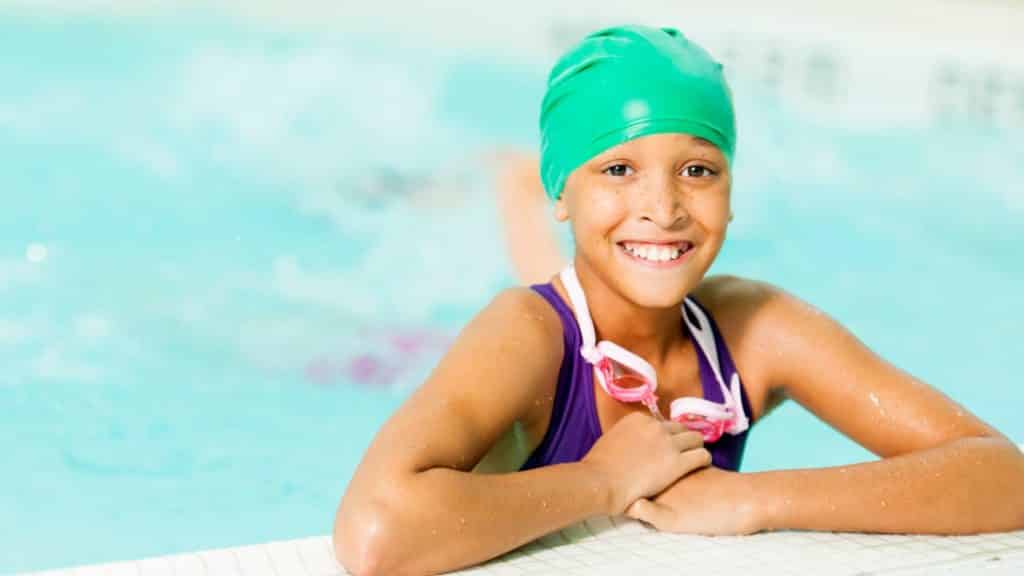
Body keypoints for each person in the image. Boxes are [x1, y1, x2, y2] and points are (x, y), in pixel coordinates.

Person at [333, 25, 1024, 576]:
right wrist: (599, 482)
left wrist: (754, 500)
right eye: (618, 168)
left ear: (730, 186)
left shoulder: (753, 330)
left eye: (698, 170)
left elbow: (1003, 475)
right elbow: (375, 533)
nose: (663, 207)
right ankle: (500, 179)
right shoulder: (525, 335)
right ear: (563, 193)